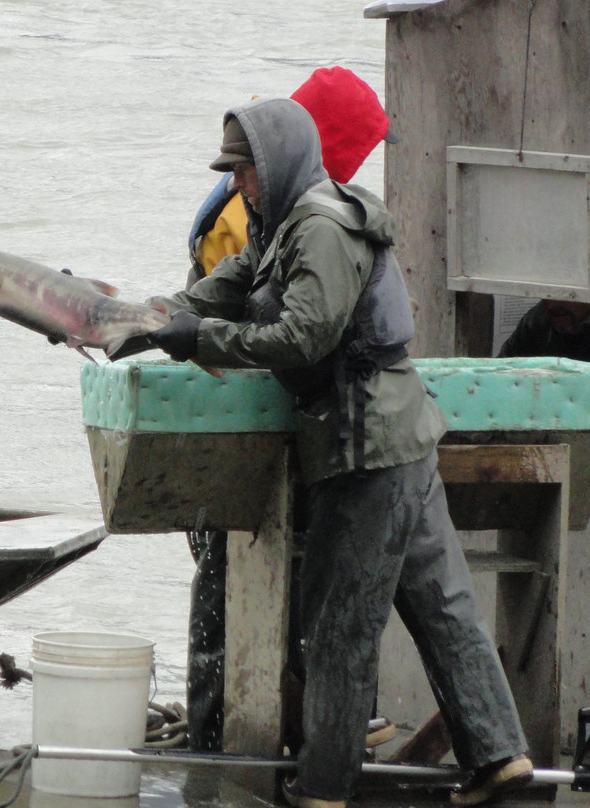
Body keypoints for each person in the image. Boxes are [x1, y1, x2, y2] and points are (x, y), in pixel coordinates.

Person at [146, 96, 531, 808]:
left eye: (246, 171)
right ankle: (500, 757)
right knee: (443, 610)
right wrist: (137, 323)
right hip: (403, 438)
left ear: (281, 162)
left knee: (339, 627)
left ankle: (321, 788)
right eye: (231, 173)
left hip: (365, 451)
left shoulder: (318, 229)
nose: (238, 185)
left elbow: (302, 339)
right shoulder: (278, 227)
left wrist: (198, 342)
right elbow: (210, 296)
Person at [183, 66, 399, 755]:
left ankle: (298, 727)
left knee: (313, 589)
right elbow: (233, 307)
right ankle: (225, 727)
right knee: (235, 582)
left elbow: (302, 323)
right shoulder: (258, 216)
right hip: (245, 427)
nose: (240, 181)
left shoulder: (308, 217)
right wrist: (159, 327)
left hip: (307, 425)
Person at [497, 298, 590, 360]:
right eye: (547, 296)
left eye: (562, 295)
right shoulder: (537, 321)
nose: (550, 305)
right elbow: (504, 366)